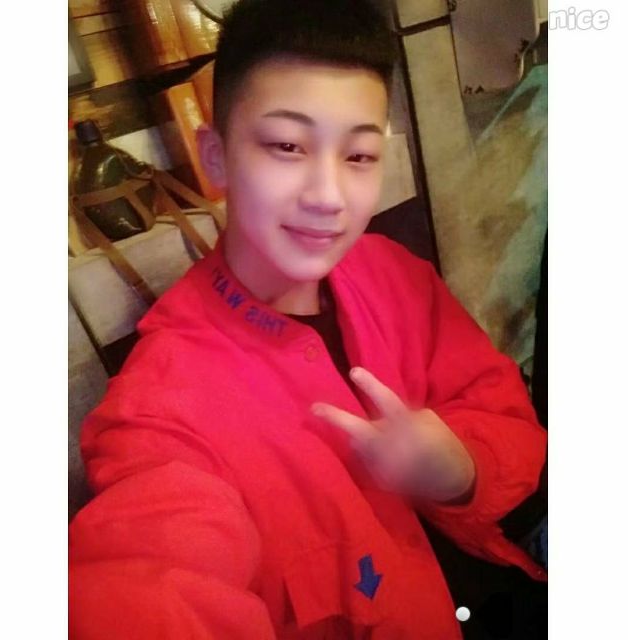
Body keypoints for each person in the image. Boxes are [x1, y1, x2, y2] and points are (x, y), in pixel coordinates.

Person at [68, 1, 547, 637]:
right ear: (215, 156)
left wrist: (460, 470)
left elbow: (505, 413)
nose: (327, 196)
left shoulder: (393, 273)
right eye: (288, 146)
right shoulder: (159, 410)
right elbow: (150, 575)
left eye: (359, 156)